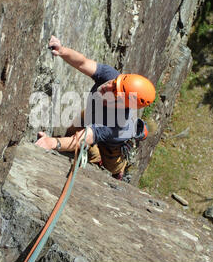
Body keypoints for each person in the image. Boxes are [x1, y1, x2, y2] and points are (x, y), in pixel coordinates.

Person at [35, 36, 156, 181]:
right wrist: (62, 50)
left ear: (122, 104)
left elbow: (84, 138)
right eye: (114, 83)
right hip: (95, 114)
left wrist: (52, 143)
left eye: (114, 93)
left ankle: (118, 167)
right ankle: (92, 153)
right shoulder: (110, 75)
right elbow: (83, 62)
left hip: (113, 142)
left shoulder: (117, 125)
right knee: (73, 130)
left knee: (112, 165)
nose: (107, 87)